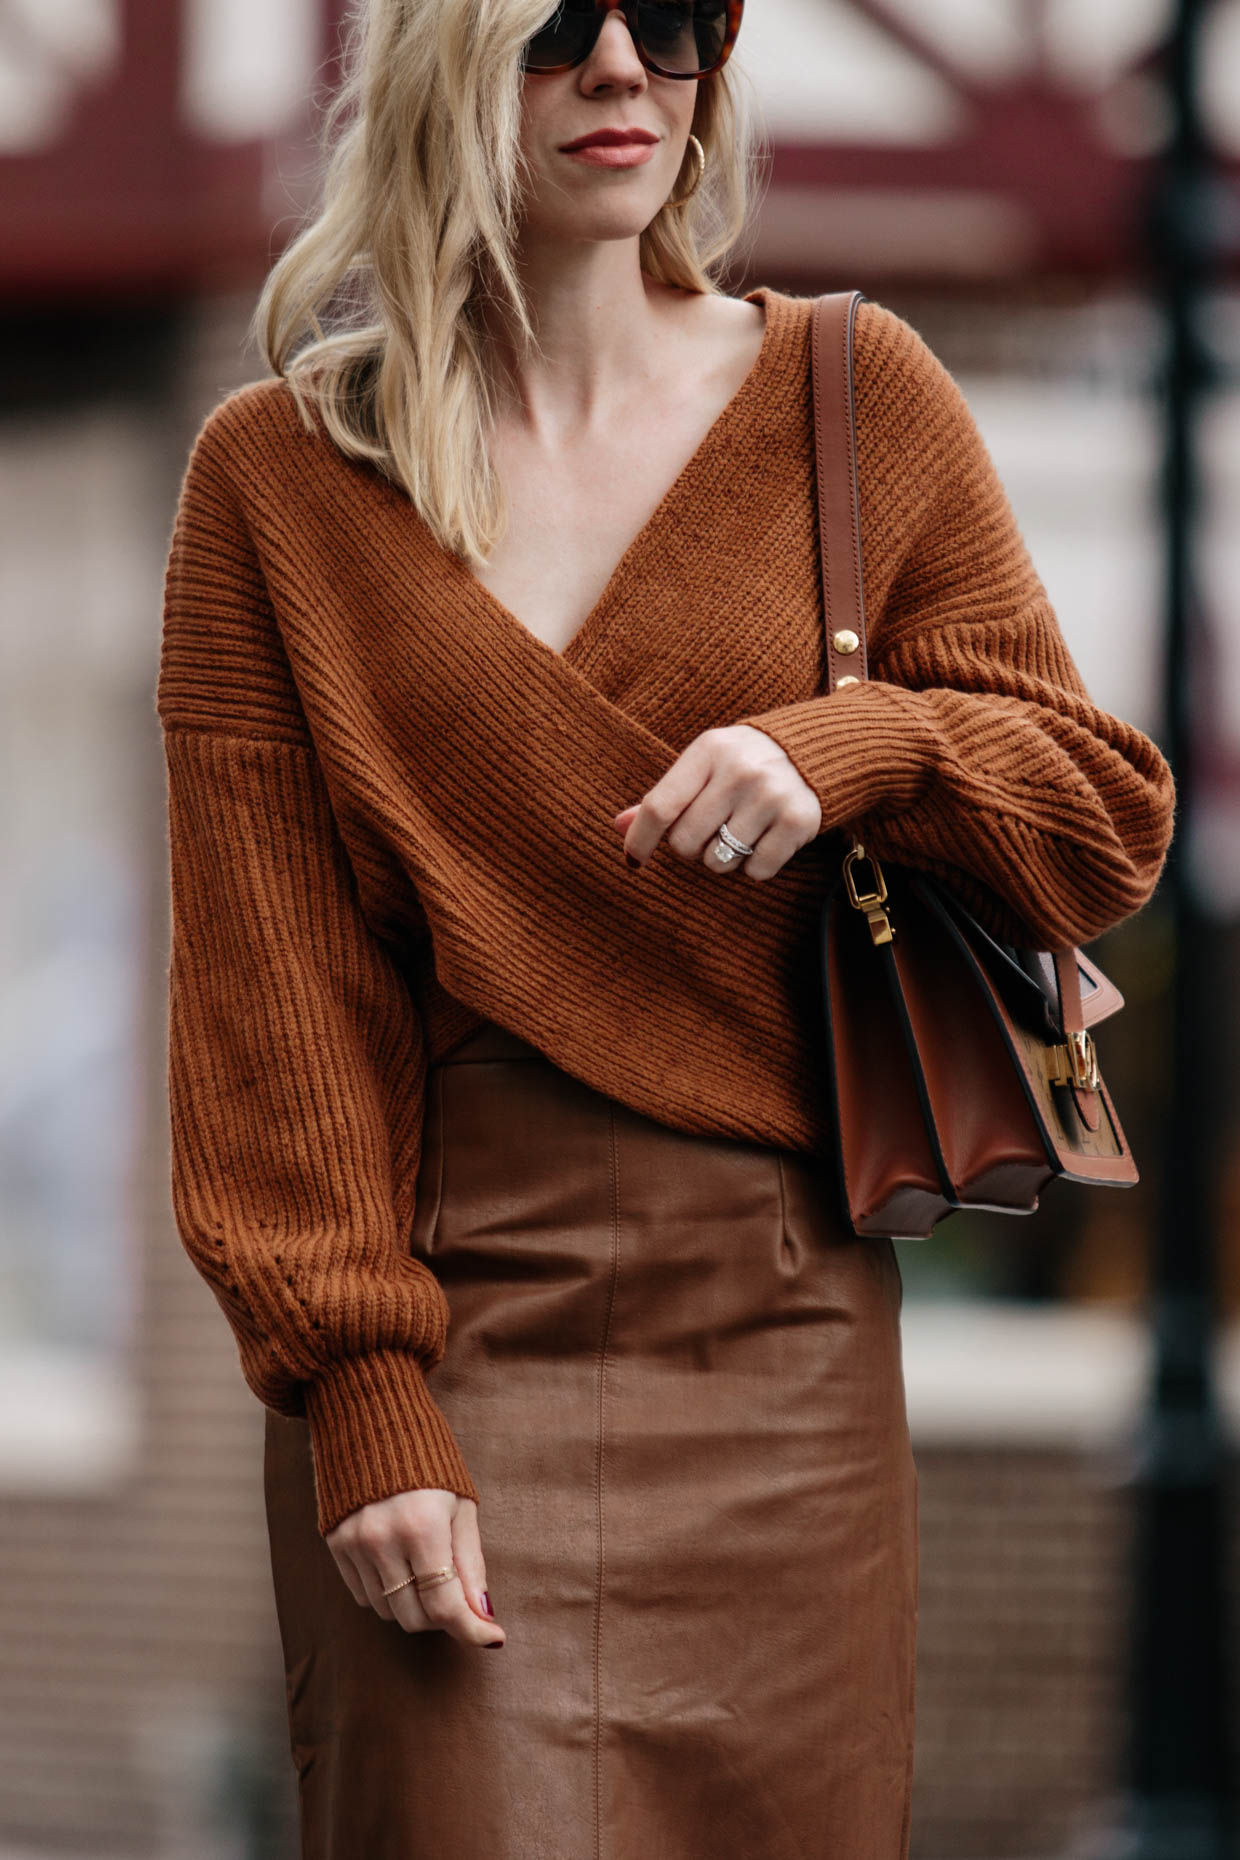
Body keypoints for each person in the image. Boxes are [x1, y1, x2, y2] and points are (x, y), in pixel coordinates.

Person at [154, 0, 1176, 1853]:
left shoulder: (858, 402)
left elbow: (1103, 818)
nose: (626, 68)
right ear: (442, 67)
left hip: (782, 1346)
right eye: (556, 28)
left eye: (680, 17)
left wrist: (858, 747)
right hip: (450, 1342)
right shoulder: (279, 482)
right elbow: (269, 998)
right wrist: (362, 1395)